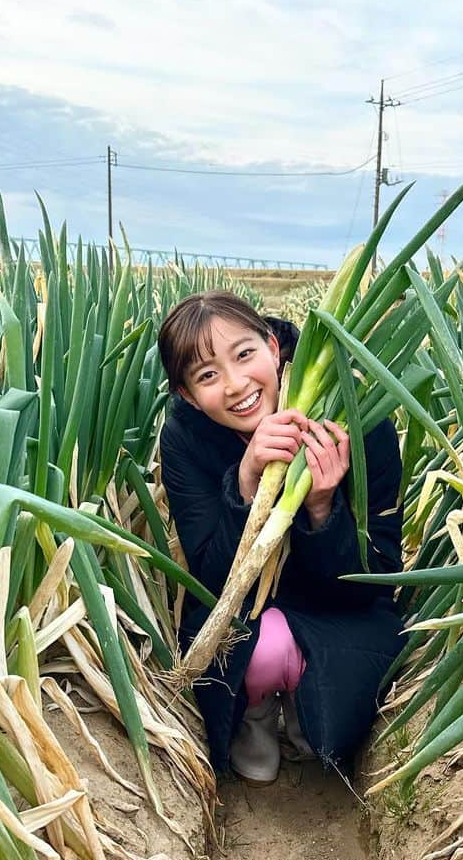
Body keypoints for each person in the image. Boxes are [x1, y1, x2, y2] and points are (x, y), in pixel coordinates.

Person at [157, 290, 404, 784]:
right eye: (207, 376)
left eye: (245, 354)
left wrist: (320, 509)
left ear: (274, 347)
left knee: (326, 724)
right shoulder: (184, 437)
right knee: (261, 647)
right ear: (187, 395)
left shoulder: (357, 417)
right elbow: (210, 578)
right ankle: (255, 716)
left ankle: (303, 706)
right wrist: (245, 484)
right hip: (244, 615)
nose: (235, 385)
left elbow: (378, 575)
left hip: (339, 610)